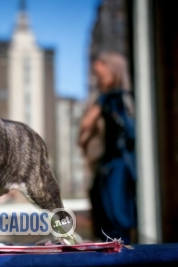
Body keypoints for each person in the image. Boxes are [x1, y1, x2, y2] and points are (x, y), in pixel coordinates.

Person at [79, 52, 137, 244]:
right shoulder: (114, 98)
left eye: (102, 66)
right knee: (107, 211)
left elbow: (86, 124)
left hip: (116, 163)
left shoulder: (112, 98)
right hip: (109, 163)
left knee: (115, 214)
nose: (98, 68)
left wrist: (83, 137)